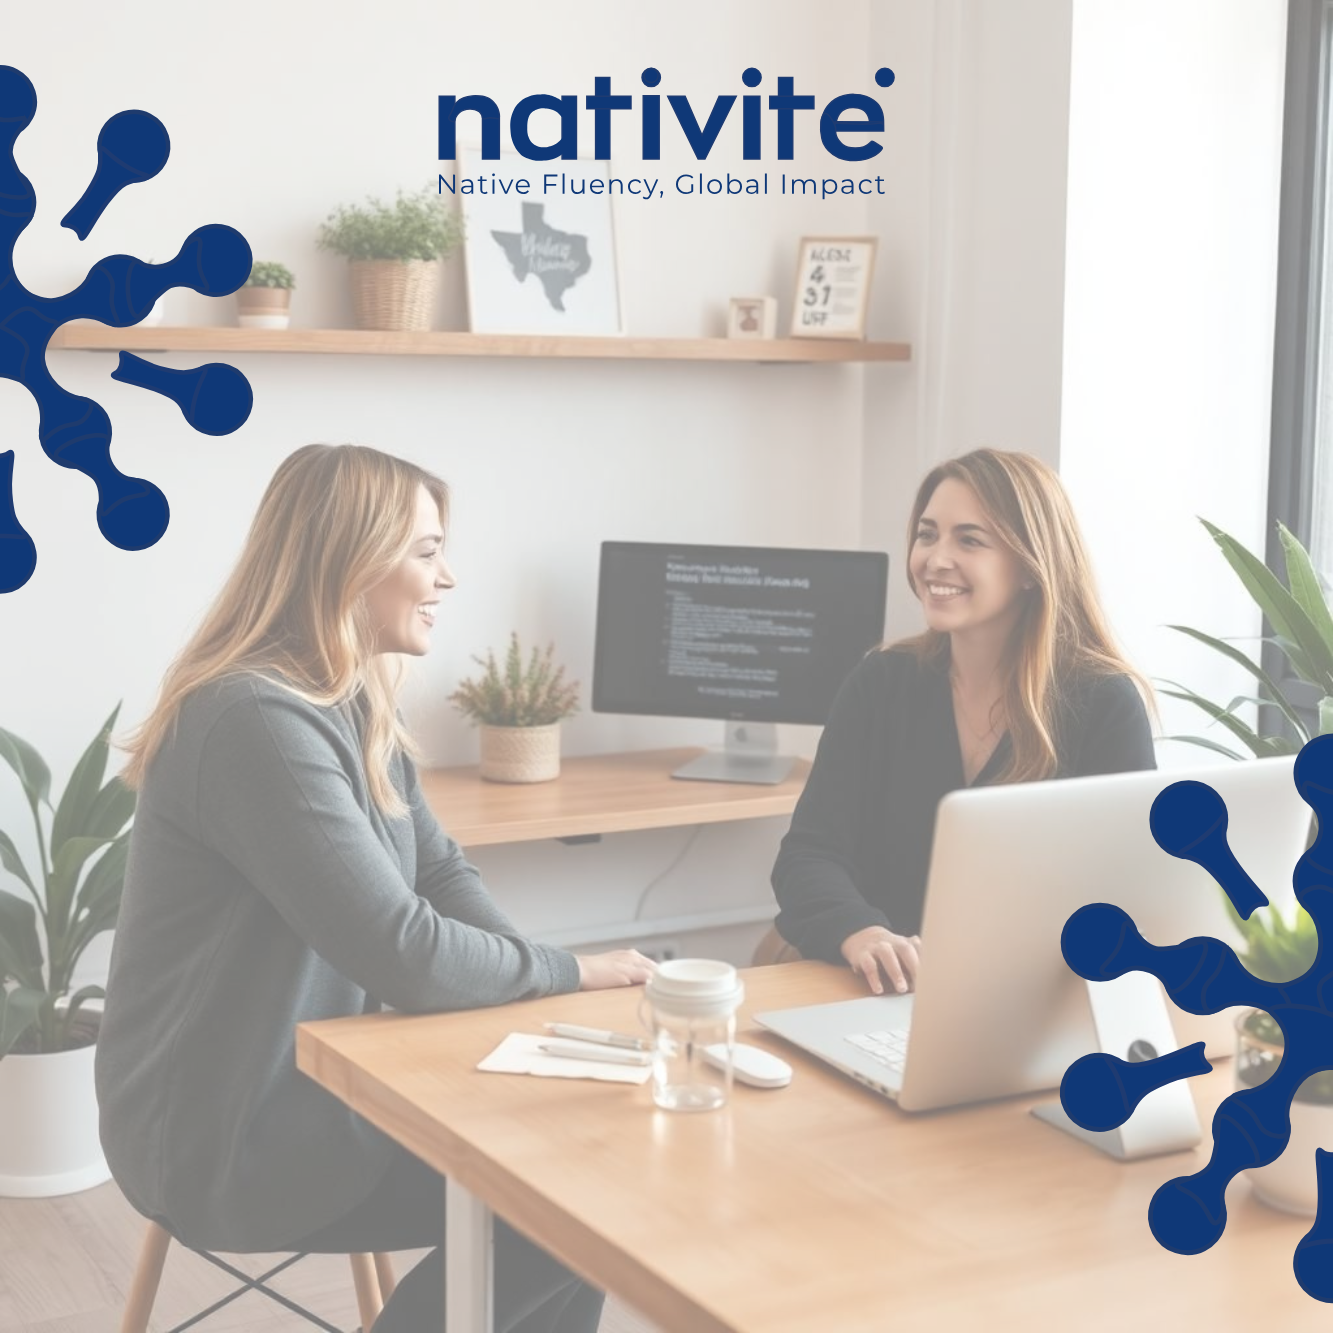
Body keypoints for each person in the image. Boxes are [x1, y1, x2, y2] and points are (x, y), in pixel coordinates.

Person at [98, 443, 655, 1333]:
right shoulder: (254, 720)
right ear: (348, 560)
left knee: (587, 1174)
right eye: (427, 551)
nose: (449, 576)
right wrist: (566, 970)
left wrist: (522, 994)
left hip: (322, 1087)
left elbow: (439, 871)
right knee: (568, 1195)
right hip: (228, 1129)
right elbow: (402, 951)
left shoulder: (350, 701)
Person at [770, 448, 1155, 997]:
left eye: (969, 540)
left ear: (1029, 565)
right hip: (879, 991)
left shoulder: (1102, 702)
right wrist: (861, 932)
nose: (934, 559)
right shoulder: (881, 681)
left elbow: (1129, 886)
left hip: (1033, 997)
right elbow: (810, 853)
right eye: (927, 535)